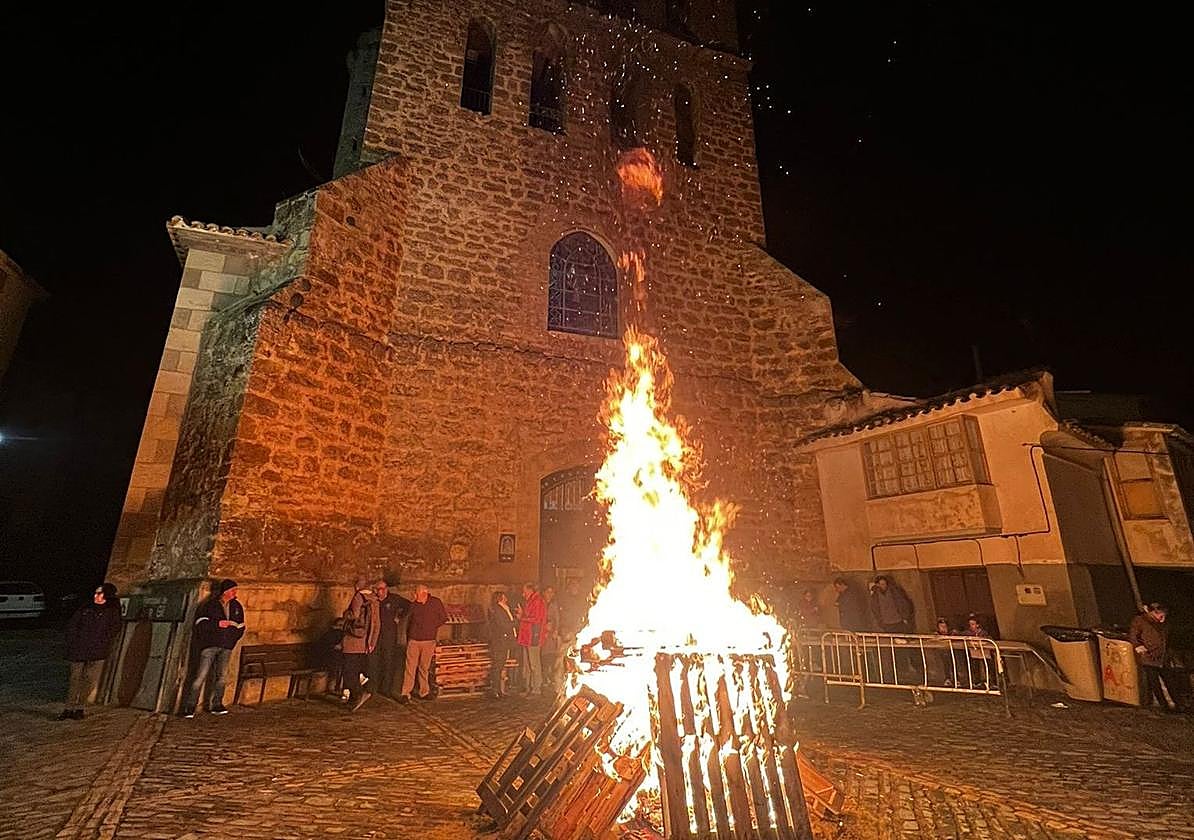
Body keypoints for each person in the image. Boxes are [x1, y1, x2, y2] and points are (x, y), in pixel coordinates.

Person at [179, 579, 245, 718]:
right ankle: (190, 706)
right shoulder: (210, 605)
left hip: (226, 646)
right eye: (233, 590)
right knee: (200, 676)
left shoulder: (236, 606)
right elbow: (200, 623)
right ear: (225, 591)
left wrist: (232, 639)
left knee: (222, 677)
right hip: (210, 645)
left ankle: (217, 704)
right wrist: (217, 625)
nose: (235, 592)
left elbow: (241, 626)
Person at [59, 582, 122, 720]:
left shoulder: (111, 612)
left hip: (97, 651)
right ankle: (68, 708)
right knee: (75, 678)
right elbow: (72, 626)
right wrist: (73, 641)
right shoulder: (85, 609)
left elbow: (114, 629)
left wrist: (103, 642)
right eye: (96, 593)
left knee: (89, 680)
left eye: (100, 593)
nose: (96, 596)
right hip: (79, 649)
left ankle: (80, 708)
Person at [400, 584, 447, 702]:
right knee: (410, 667)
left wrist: (431, 627)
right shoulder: (413, 605)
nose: (414, 596)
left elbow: (443, 618)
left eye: (416, 593)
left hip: (428, 640)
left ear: (424, 594)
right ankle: (405, 692)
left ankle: (424, 691)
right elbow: (407, 618)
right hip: (414, 640)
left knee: (424, 667)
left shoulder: (435, 603)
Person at [341, 578, 381, 711]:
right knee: (356, 669)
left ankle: (357, 694)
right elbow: (377, 624)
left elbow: (354, 615)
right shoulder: (374, 600)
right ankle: (353, 699)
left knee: (349, 671)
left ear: (357, 586)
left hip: (352, 641)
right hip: (365, 643)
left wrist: (345, 615)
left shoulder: (358, 597)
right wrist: (372, 642)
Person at [1130, 603, 1177, 712]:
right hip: (1149, 655)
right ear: (1153, 612)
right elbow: (1134, 635)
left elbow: (1166, 637)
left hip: (1162, 656)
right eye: (1161, 614)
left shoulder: (1163, 623)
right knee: (1154, 682)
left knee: (1169, 680)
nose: (1162, 617)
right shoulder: (1140, 620)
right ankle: (1164, 705)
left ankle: (1177, 703)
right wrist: (1139, 646)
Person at [371, 578, 411, 699]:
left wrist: (399, 617)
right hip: (375, 636)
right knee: (374, 661)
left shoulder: (394, 599)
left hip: (389, 635)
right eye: (379, 589)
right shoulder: (373, 600)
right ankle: (374, 687)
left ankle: (386, 688)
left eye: (383, 589)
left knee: (388, 661)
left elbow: (408, 605)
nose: (382, 591)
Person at [517, 582, 547, 696]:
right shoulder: (531, 601)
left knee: (534, 664)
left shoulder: (537, 601)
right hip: (527, 637)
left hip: (533, 637)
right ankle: (528, 687)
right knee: (527, 665)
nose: (523, 594)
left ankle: (536, 689)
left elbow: (536, 619)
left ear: (530, 590)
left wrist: (522, 617)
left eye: (524, 591)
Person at [487, 591, 517, 698]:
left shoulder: (503, 609)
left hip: (503, 641)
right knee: (498, 665)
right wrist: (516, 622)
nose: (506, 599)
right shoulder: (498, 610)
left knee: (500, 665)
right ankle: (496, 690)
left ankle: (499, 689)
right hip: (500, 641)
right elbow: (503, 625)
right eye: (504, 597)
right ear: (500, 598)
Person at [962, 614, 995, 689]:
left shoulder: (984, 633)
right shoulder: (968, 633)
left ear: (977, 625)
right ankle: (977, 682)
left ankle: (991, 682)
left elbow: (989, 639)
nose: (971, 626)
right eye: (970, 624)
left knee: (987, 666)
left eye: (973, 624)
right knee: (975, 666)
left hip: (985, 653)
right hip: (974, 653)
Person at [541, 585, 561, 689]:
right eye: (548, 592)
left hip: (551, 633)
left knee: (551, 655)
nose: (550, 594)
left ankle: (551, 678)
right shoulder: (541, 603)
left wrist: (555, 630)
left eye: (551, 592)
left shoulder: (553, 605)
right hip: (542, 634)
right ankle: (544, 678)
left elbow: (557, 618)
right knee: (543, 657)